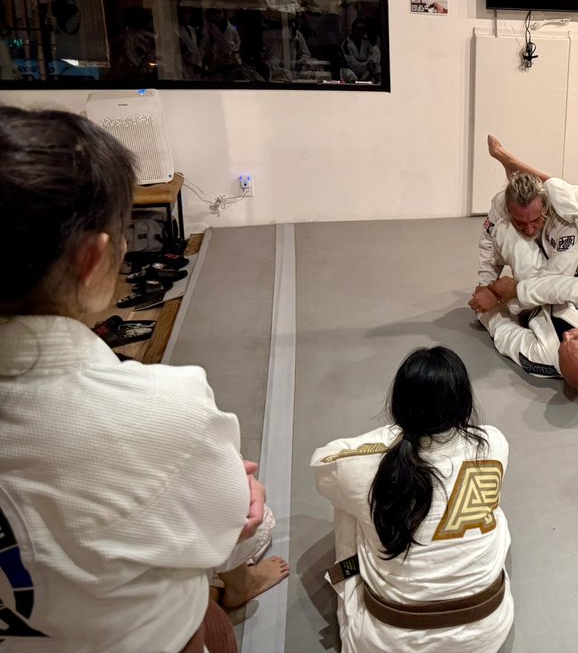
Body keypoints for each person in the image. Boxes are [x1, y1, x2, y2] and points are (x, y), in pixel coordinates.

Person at [0, 105, 269, 650]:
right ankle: (233, 596)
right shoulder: (167, 405)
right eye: (122, 232)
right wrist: (242, 500)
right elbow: (232, 530)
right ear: (93, 258)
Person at [311, 346, 512, 652]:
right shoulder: (494, 443)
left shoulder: (359, 466)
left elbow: (322, 464)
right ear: (464, 401)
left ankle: (350, 577)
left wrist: (390, 436)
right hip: (486, 632)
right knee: (493, 511)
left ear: (398, 404)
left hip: (387, 641)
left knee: (351, 506)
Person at [472, 136, 578, 317]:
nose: (529, 229)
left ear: (545, 208)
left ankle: (512, 163)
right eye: (520, 222)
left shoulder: (566, 220)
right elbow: (488, 242)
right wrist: (485, 285)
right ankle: (514, 166)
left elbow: (558, 281)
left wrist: (510, 292)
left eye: (535, 221)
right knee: (505, 231)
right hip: (550, 252)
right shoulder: (501, 203)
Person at [474, 240, 578, 390]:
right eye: (575, 339)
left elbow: (505, 334)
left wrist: (486, 307)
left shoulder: (542, 360)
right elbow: (577, 288)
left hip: (540, 304)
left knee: (519, 242)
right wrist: (519, 289)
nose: (567, 335)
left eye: (563, 344)